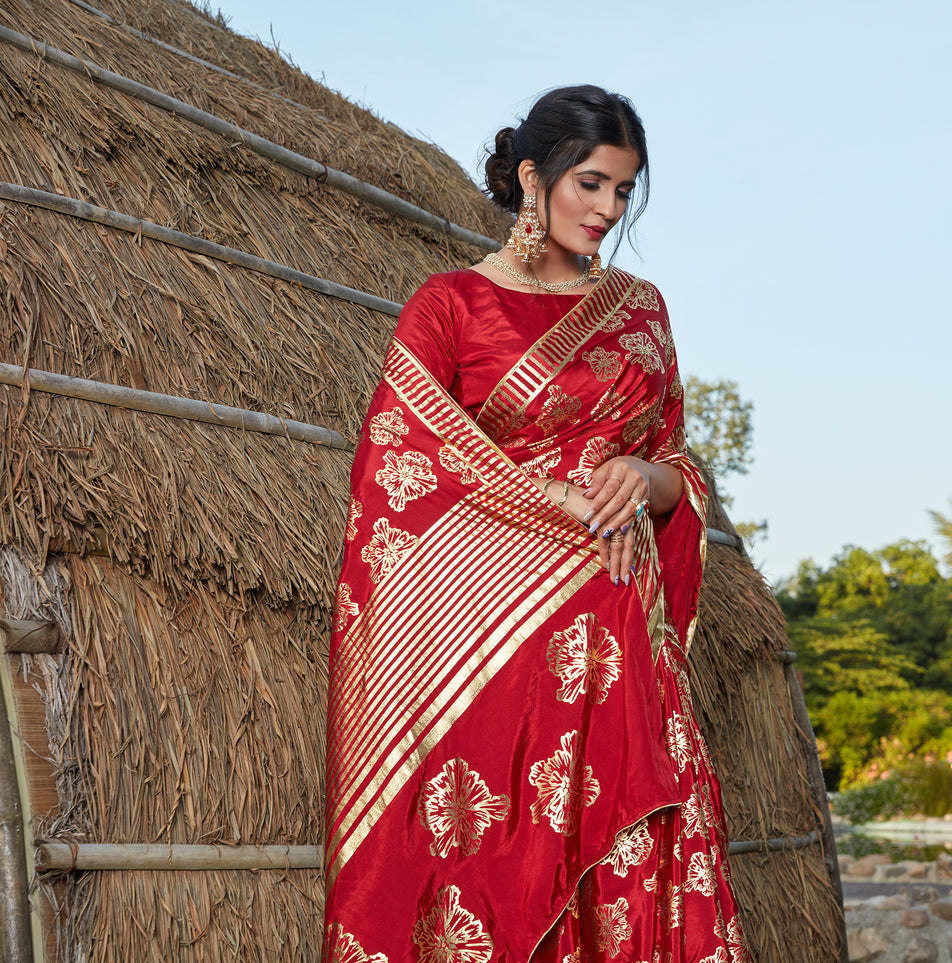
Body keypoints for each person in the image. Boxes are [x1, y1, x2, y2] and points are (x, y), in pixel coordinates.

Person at [322, 85, 749, 963]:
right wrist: (553, 498)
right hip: (487, 659)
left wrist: (644, 474)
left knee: (633, 870)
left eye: (624, 191)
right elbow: (402, 468)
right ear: (533, 176)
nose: (608, 210)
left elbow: (678, 465)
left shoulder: (642, 311)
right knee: (494, 883)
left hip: (621, 641)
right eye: (590, 184)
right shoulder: (448, 306)